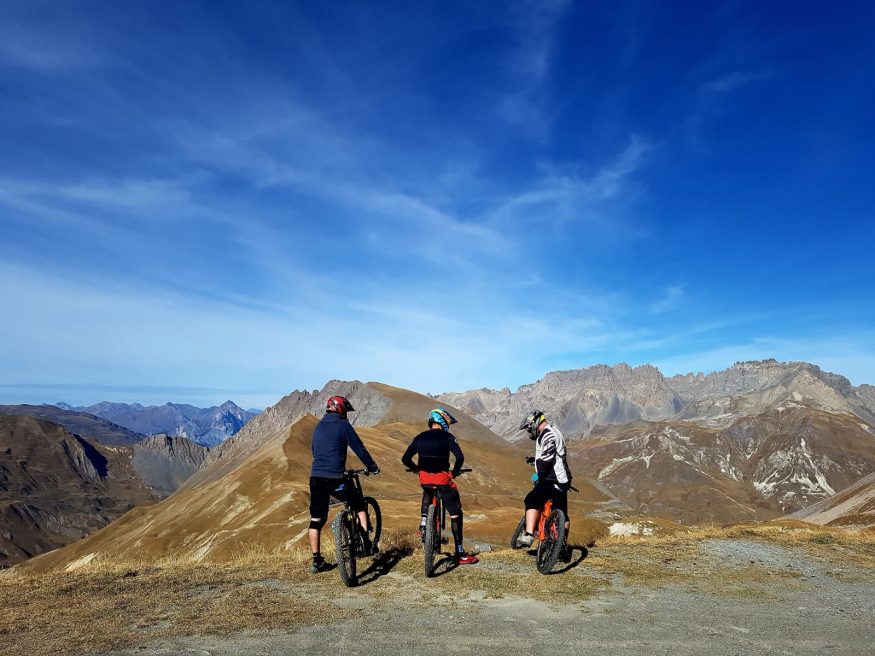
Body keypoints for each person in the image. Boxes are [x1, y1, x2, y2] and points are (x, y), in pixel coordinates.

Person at [308, 395, 380, 574]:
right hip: (335, 478)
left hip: (316, 477)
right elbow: (359, 448)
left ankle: (317, 561)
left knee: (316, 519)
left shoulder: (318, 426)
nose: (347, 414)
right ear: (340, 409)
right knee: (358, 504)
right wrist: (373, 467)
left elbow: (314, 450)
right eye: (346, 411)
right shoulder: (343, 425)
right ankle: (367, 544)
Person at [401, 408, 479, 565]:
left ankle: (424, 522)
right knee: (456, 513)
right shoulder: (448, 437)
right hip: (443, 479)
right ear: (444, 421)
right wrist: (455, 473)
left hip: (424, 478)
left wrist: (417, 469)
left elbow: (405, 458)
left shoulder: (420, 437)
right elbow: (460, 457)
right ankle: (460, 552)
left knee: (427, 492)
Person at [515, 410, 572, 549]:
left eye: (529, 428)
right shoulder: (554, 431)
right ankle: (561, 545)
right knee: (562, 512)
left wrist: (538, 474)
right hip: (563, 480)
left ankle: (528, 534)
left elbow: (547, 459)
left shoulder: (547, 435)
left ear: (535, 423)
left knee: (531, 500)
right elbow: (553, 454)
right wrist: (535, 461)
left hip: (551, 479)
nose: (529, 432)